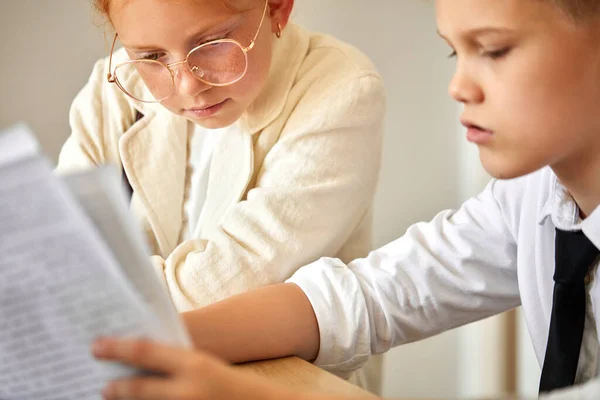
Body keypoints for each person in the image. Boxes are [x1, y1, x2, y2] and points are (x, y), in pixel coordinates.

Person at [92, 0, 600, 398]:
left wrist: (240, 391)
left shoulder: (338, 88)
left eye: (492, 50)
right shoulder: (525, 199)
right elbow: (369, 297)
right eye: (454, 52)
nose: (458, 86)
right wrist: (146, 344)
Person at [57, 0, 385, 391]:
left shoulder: (341, 90)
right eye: (151, 56)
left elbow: (222, 286)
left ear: (277, 8)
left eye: (212, 42)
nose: (187, 85)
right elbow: (60, 253)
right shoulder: (112, 89)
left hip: (284, 386)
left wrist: (90, 298)